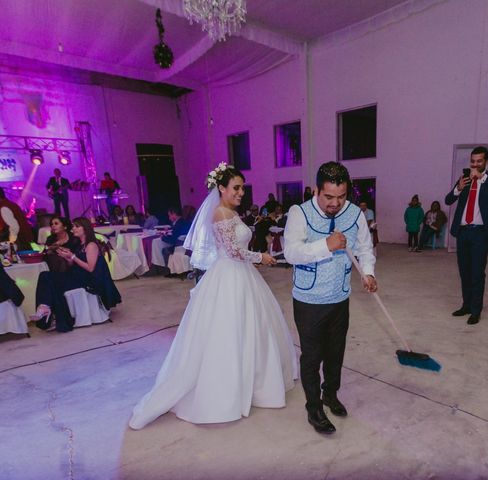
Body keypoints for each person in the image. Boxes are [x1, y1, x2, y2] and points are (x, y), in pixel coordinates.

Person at [129, 163, 297, 429]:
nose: (241, 192)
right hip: (230, 274)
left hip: (242, 276)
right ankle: (228, 389)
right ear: (222, 188)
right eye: (236, 188)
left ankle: (254, 382)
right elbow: (232, 252)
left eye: (243, 188)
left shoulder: (230, 211)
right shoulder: (220, 213)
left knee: (251, 328)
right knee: (228, 332)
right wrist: (261, 257)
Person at [284, 161, 376, 435]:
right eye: (329, 197)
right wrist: (326, 245)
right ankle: (314, 407)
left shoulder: (355, 214)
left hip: (340, 297)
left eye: (342, 196)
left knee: (335, 353)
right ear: (316, 190)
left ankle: (330, 394)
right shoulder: (299, 213)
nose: (336, 203)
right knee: (312, 356)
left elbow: (365, 247)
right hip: (309, 299)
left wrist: (368, 273)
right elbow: (291, 253)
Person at [445, 146, 488, 325]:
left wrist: (483, 177)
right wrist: (458, 188)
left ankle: (476, 310)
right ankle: (466, 305)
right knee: (464, 272)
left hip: (480, 233)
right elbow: (448, 200)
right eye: (473, 161)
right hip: (463, 232)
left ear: (485, 161)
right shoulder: (464, 178)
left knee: (477, 273)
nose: (475, 164)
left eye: (479, 161)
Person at [31, 217, 121, 332]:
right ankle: (45, 307)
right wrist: (68, 258)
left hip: (87, 281)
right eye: (73, 226)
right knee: (45, 275)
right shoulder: (79, 244)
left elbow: (90, 268)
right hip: (76, 276)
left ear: (85, 229)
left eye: (76, 226)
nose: (73, 228)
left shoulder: (91, 245)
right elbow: (74, 264)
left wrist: (73, 256)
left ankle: (51, 311)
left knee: (49, 279)